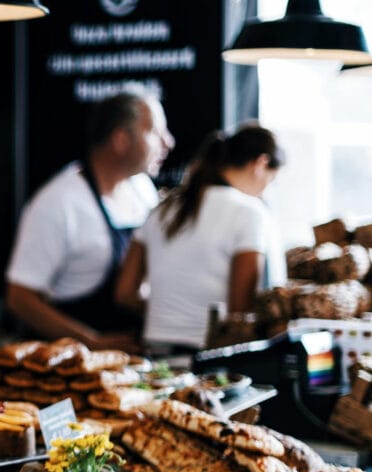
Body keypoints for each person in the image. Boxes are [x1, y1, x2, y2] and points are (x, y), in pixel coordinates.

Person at [5, 90, 174, 351]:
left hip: (134, 358)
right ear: (120, 139)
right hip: (70, 364)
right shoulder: (59, 203)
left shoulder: (141, 189)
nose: (168, 142)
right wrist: (90, 342)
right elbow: (19, 298)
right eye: (154, 132)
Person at [115, 124, 286, 353]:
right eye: (271, 181)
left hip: (155, 354)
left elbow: (124, 294)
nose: (266, 190)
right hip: (210, 359)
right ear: (260, 164)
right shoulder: (250, 212)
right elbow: (240, 312)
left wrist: (171, 312)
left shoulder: (162, 209)